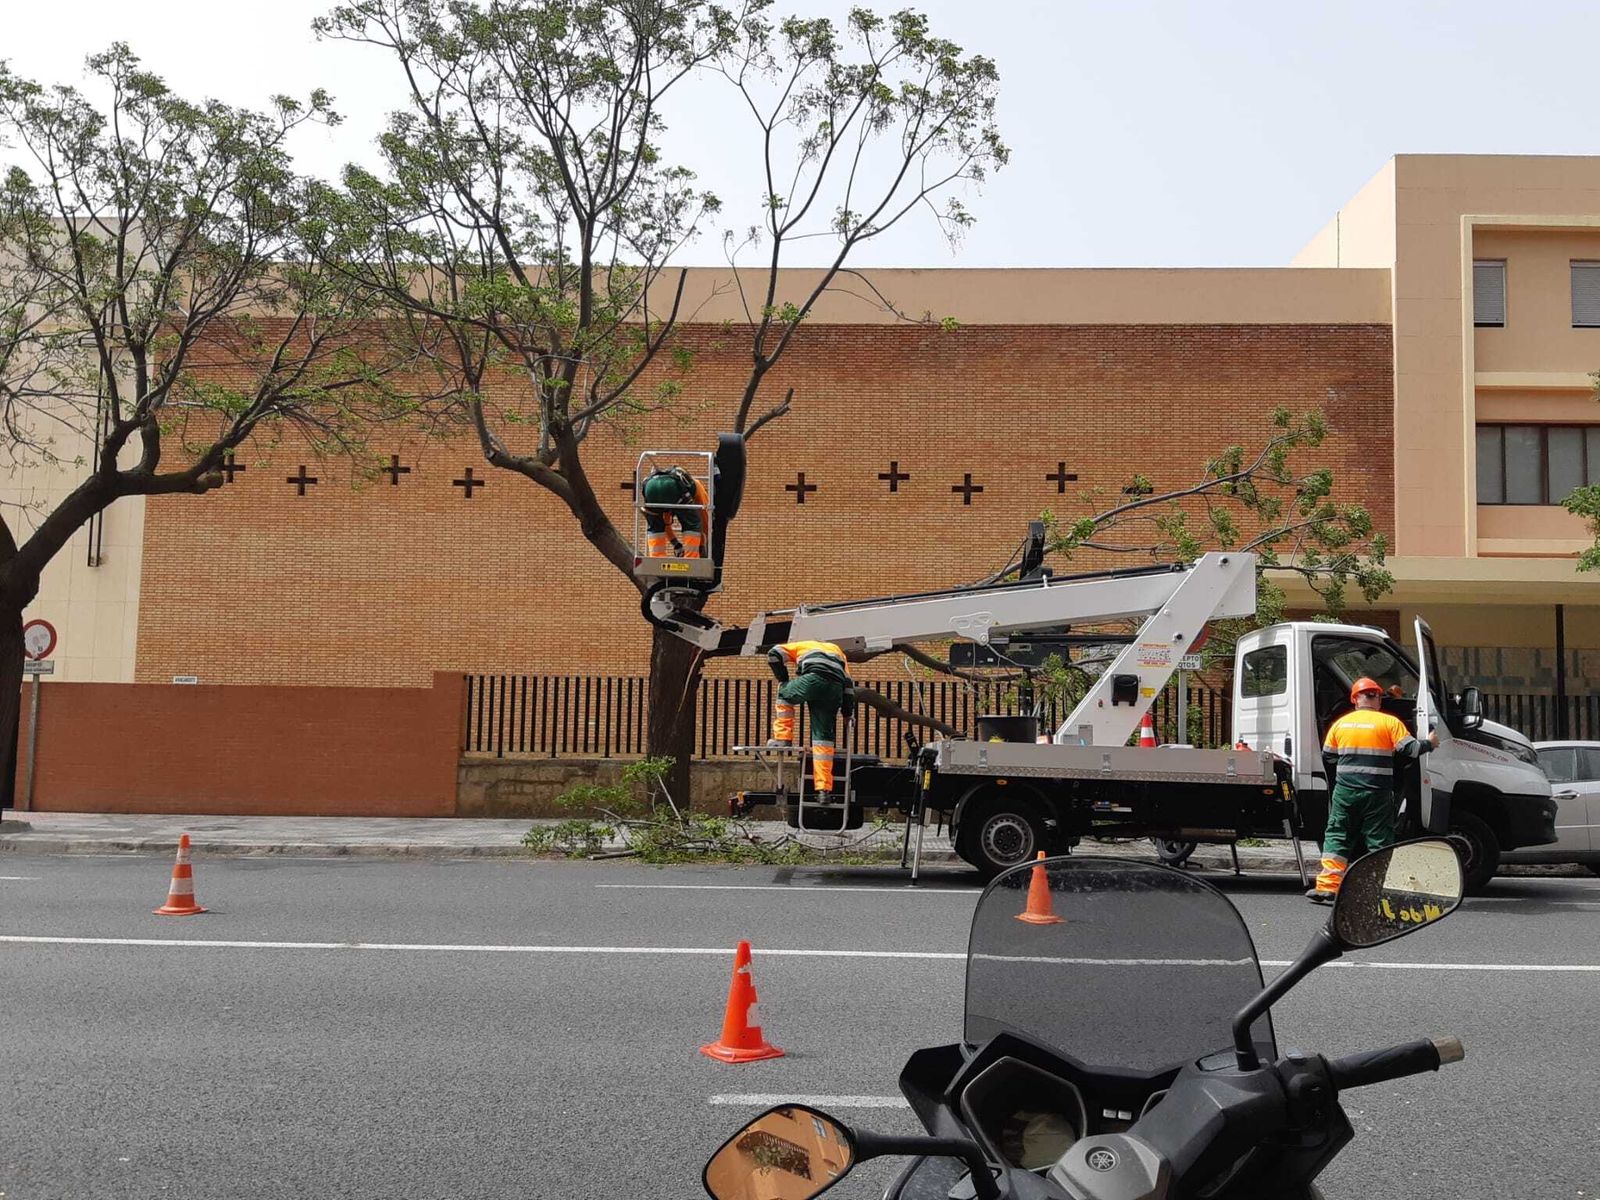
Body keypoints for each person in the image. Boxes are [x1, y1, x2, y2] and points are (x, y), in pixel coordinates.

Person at [1308, 675, 1439, 905]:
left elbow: (1328, 755)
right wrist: (1431, 742)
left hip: (1346, 792)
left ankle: (1328, 888)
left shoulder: (1341, 724)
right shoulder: (1389, 723)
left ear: (1355, 700)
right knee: (1378, 840)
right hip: (1377, 793)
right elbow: (1411, 750)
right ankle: (1376, 888)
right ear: (1378, 699)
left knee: (1338, 836)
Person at [766, 641, 854, 802]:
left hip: (814, 679)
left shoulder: (800, 645)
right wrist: (847, 712)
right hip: (835, 689)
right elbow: (848, 686)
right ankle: (823, 790)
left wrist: (783, 679)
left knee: (784, 694)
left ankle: (782, 738)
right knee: (823, 740)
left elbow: (773, 654)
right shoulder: (838, 651)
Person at [639, 464, 708, 558]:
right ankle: (691, 557)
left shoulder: (675, 493)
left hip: (650, 487)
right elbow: (704, 520)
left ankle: (656, 558)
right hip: (672, 487)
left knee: (655, 525)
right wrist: (702, 545)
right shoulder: (699, 488)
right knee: (693, 523)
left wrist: (676, 544)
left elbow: (665, 524)